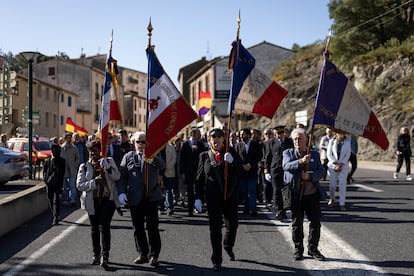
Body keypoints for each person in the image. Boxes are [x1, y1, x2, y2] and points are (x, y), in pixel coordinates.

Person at [194, 128, 241, 271]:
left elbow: (241, 170)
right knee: (215, 229)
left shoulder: (231, 152)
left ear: (223, 139)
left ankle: (228, 245)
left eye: (219, 137)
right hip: (213, 198)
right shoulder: (204, 156)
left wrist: (232, 162)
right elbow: (199, 178)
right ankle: (216, 259)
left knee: (232, 225)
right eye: (213, 137)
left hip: (230, 196)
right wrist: (198, 198)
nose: (216, 140)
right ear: (209, 140)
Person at [117, 131, 166, 268]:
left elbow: (162, 166)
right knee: (138, 228)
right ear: (134, 143)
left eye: (144, 142)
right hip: (135, 198)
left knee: (152, 227)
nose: (141, 144)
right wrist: (121, 192)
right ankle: (143, 253)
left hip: (151, 197)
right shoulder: (128, 157)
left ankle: (154, 255)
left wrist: (151, 158)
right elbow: (122, 176)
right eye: (138, 141)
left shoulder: (154, 154)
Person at [282, 127, 327, 261]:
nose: (296, 141)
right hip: (296, 195)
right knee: (297, 223)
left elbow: (321, 171)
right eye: (294, 138)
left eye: (299, 138)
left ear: (306, 140)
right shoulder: (288, 153)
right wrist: (300, 162)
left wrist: (310, 176)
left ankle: (313, 249)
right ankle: (298, 249)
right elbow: (286, 166)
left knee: (315, 222)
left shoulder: (314, 154)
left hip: (311, 194)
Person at [76, 140, 121, 269]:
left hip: (108, 200)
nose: (92, 154)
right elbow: (79, 185)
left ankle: (105, 255)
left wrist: (107, 167)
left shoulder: (108, 161)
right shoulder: (84, 167)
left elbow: (117, 177)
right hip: (92, 201)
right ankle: (96, 254)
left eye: (95, 151)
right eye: (90, 152)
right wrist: (94, 183)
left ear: (100, 151)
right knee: (94, 228)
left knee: (105, 226)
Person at [264, 125, 294, 221]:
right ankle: (279, 211)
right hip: (275, 169)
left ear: (283, 133)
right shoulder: (271, 142)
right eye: (276, 134)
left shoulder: (290, 142)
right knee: (276, 191)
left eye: (280, 133)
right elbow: (268, 157)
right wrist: (266, 171)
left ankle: (286, 209)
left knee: (286, 191)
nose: (278, 136)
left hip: (286, 170)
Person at [235, 128, 262, 215]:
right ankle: (246, 208)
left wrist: (250, 165)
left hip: (252, 171)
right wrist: (242, 166)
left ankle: (253, 209)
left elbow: (258, 157)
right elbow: (237, 158)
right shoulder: (238, 145)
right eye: (241, 135)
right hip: (242, 172)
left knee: (252, 190)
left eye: (244, 135)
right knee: (244, 191)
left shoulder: (256, 145)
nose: (242, 137)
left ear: (248, 135)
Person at [179, 127, 206, 216]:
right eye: (198, 133)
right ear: (193, 134)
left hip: (199, 171)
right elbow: (181, 160)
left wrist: (197, 149)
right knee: (190, 191)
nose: (200, 135)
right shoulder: (185, 145)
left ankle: (198, 207)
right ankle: (190, 209)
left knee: (199, 189)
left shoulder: (201, 144)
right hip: (188, 172)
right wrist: (182, 172)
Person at [327, 132, 351, 211]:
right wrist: (335, 163)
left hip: (343, 166)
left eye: (343, 133)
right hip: (333, 165)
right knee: (332, 185)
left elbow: (347, 155)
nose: (342, 135)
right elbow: (329, 154)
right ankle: (332, 198)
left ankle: (342, 204)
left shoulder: (347, 143)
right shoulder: (331, 141)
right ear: (336, 134)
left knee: (342, 184)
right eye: (340, 133)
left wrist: (341, 164)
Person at [43, 144, 66, 226]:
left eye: (56, 150)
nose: (54, 152)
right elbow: (44, 172)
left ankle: (56, 216)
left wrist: (53, 178)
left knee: (56, 200)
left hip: (57, 183)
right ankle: (54, 214)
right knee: (50, 198)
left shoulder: (62, 161)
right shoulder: (47, 161)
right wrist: (46, 180)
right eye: (53, 150)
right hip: (49, 184)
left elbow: (61, 172)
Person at [60, 133, 80, 206]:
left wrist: (75, 165)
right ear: (65, 139)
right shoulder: (61, 148)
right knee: (64, 186)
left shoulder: (74, 148)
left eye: (70, 138)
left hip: (72, 169)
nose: (69, 139)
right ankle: (65, 199)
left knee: (72, 185)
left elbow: (77, 158)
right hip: (64, 170)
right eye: (68, 138)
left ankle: (72, 199)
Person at [163, 139, 177, 215]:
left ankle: (169, 207)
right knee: (160, 190)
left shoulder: (171, 147)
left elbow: (174, 159)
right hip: (160, 173)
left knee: (168, 190)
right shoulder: (158, 148)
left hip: (169, 172)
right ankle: (161, 206)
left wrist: (166, 167)